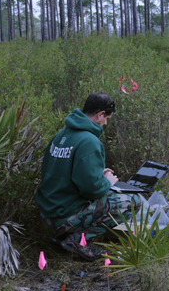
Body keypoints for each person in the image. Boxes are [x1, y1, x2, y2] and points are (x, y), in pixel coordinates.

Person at [35, 92, 140, 261]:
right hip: (64, 214)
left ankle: (63, 235)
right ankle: (76, 239)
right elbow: (92, 189)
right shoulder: (89, 141)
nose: (106, 123)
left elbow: (56, 170)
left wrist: (97, 172)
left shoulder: (61, 135)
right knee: (133, 202)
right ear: (100, 115)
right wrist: (106, 182)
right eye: (107, 118)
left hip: (48, 211)